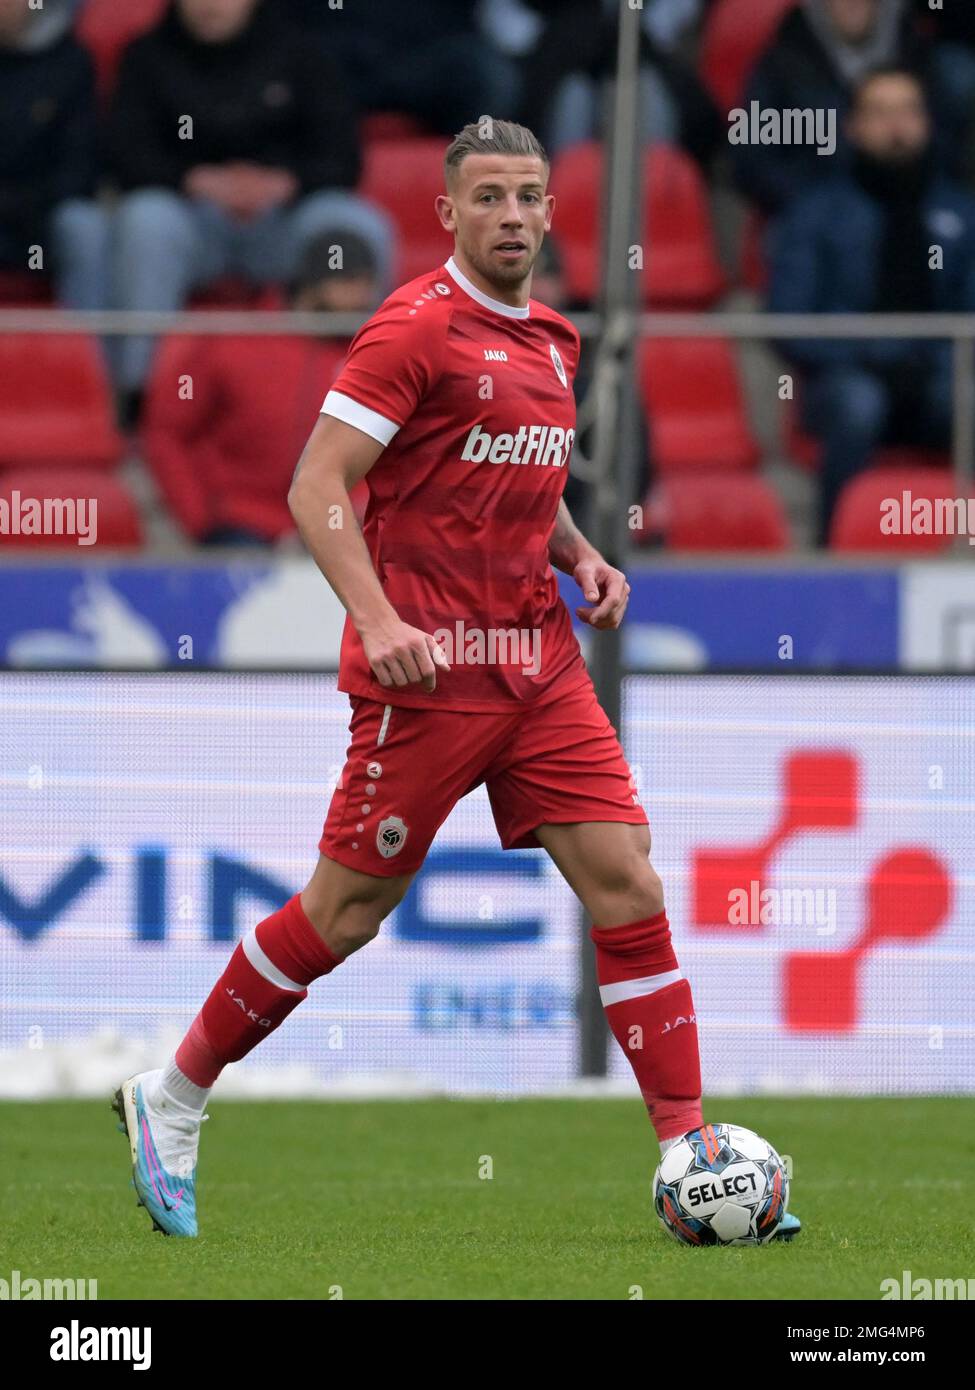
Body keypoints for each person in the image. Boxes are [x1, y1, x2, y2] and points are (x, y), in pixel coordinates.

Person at [112, 117, 801, 1243]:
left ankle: (692, 1148)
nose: (515, 216)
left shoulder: (553, 339)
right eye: (490, 198)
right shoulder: (411, 330)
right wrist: (376, 616)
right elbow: (316, 485)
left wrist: (575, 549)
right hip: (427, 670)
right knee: (344, 914)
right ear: (448, 213)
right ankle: (174, 1096)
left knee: (626, 880)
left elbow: (522, 473)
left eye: (530, 196)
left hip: (537, 662)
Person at [106, 0, 395, 412]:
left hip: (282, 222)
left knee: (358, 224)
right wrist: (195, 179)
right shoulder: (146, 56)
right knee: (145, 219)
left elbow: (342, 157)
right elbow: (124, 154)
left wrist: (285, 182)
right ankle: (139, 398)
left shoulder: (300, 51)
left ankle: (367, 398)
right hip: (192, 222)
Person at [768, 68, 975, 540]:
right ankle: (833, 551)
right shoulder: (815, 212)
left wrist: (931, 361)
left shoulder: (962, 214)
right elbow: (788, 321)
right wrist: (879, 354)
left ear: (927, 123)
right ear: (854, 127)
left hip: (938, 378)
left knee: (968, 398)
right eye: (879, 113)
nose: (896, 127)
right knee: (860, 403)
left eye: (907, 111)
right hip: (845, 380)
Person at [143, 233, 381, 546]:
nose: (362, 298)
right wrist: (200, 518)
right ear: (311, 286)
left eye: (366, 285)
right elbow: (168, 432)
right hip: (240, 523)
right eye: (349, 284)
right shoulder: (237, 340)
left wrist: (362, 508)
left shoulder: (373, 355)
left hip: (336, 526)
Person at [735, 0, 923, 217]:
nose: (852, 4)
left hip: (910, 209)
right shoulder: (781, 64)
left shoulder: (914, 53)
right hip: (810, 212)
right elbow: (751, 158)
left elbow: (941, 144)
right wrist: (813, 203)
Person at [0, 0, 108, 308]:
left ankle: (87, 353)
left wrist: (20, 205)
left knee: (84, 226)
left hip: (43, 216)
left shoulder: (70, 63)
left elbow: (81, 166)